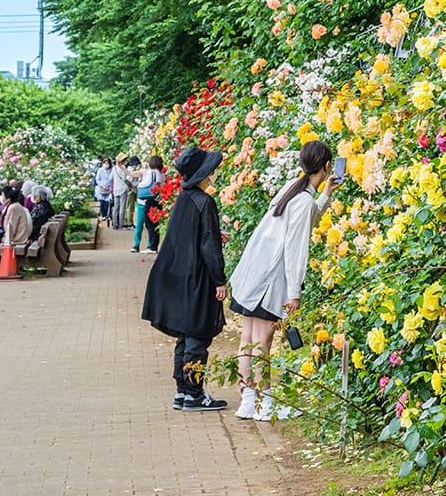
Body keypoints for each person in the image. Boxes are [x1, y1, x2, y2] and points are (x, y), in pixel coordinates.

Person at [226, 141, 337, 421]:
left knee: (248, 338)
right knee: (262, 341)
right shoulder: (301, 199)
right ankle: (264, 402)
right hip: (269, 278)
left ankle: (249, 400)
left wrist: (325, 195)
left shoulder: (293, 188)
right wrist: (294, 292)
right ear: (325, 166)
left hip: (253, 270)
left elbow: (305, 220)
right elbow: (296, 247)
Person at [141, 146, 229, 411]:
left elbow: (193, 235)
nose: (213, 174)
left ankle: (184, 390)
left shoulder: (184, 198)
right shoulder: (205, 201)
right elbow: (207, 246)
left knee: (186, 336)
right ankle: (194, 393)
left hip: (178, 275)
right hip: (197, 278)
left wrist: (215, 232)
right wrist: (220, 279)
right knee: (197, 337)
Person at [133, 155, 166, 253]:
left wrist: (139, 185)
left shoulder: (151, 172)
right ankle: (153, 245)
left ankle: (152, 247)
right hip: (157, 199)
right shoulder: (160, 174)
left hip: (150, 199)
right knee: (155, 223)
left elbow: (147, 183)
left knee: (150, 223)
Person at [111, 157, 131, 229]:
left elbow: (111, 178)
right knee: (122, 207)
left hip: (116, 189)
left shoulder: (114, 168)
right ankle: (121, 225)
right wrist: (129, 184)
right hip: (123, 189)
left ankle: (114, 224)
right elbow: (125, 179)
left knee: (116, 207)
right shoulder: (123, 168)